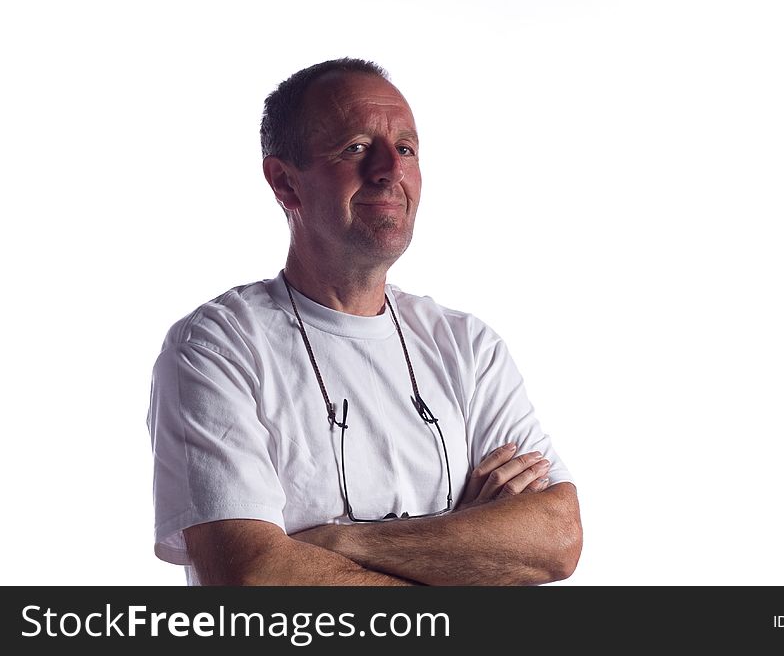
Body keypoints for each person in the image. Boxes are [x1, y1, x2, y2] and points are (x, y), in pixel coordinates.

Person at [148, 58, 582, 585]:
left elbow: (556, 538)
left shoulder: (468, 347)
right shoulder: (218, 347)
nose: (390, 171)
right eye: (355, 148)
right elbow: (253, 580)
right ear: (285, 183)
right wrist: (465, 542)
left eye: (405, 148)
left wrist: (334, 541)